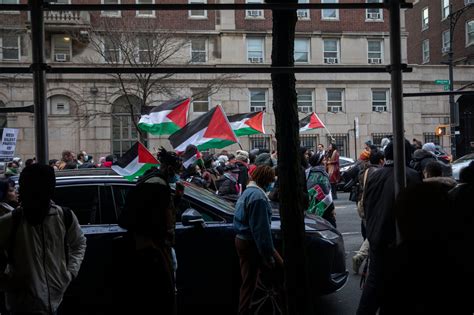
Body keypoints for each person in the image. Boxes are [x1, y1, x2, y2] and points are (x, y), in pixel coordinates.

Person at [0, 164, 87, 314]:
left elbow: (79, 244)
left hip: (57, 303)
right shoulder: (10, 222)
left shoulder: (64, 217)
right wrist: (8, 281)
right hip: (22, 308)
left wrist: (70, 273)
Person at [356, 141, 421, 315]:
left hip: (377, 238)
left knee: (373, 290)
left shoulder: (375, 175)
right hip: (396, 243)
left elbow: (367, 206)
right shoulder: (411, 175)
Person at [112, 175, 176, 314]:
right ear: (155, 213)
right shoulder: (146, 256)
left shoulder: (154, 246)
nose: (173, 215)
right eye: (169, 208)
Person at [233, 165, 283, 315]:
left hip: (243, 240)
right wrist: (269, 256)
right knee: (252, 282)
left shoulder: (248, 192)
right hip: (251, 243)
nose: (272, 183)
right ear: (265, 180)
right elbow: (261, 232)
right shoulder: (258, 198)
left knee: (249, 282)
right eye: (271, 180)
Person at [352, 150, 384, 274]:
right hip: (373, 205)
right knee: (374, 232)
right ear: (381, 160)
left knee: (370, 231)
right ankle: (362, 255)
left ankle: (362, 255)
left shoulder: (364, 172)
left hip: (363, 205)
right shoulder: (378, 173)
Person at [306, 153, 336, 227]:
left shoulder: (308, 172)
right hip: (324, 207)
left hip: (311, 206)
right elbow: (327, 192)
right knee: (329, 227)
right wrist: (332, 208)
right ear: (319, 162)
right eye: (324, 160)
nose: (326, 162)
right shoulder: (322, 174)